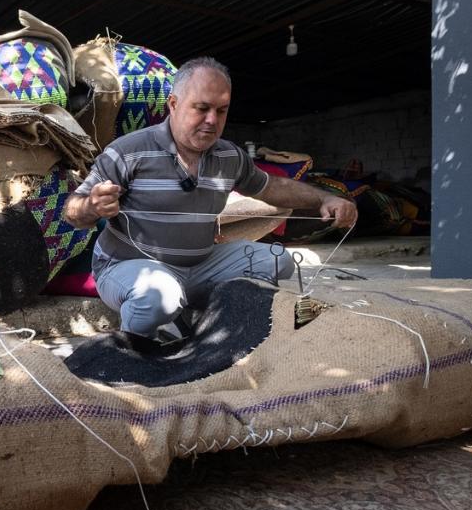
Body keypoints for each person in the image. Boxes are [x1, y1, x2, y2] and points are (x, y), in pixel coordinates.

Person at [62, 56, 357, 338]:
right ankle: (136, 351)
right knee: (158, 297)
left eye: (222, 110)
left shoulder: (230, 157)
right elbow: (71, 212)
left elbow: (272, 187)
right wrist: (91, 205)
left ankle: (200, 321)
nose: (212, 120)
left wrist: (324, 199)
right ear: (174, 104)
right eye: (201, 108)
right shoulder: (128, 151)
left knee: (279, 261)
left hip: (201, 265)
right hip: (128, 265)